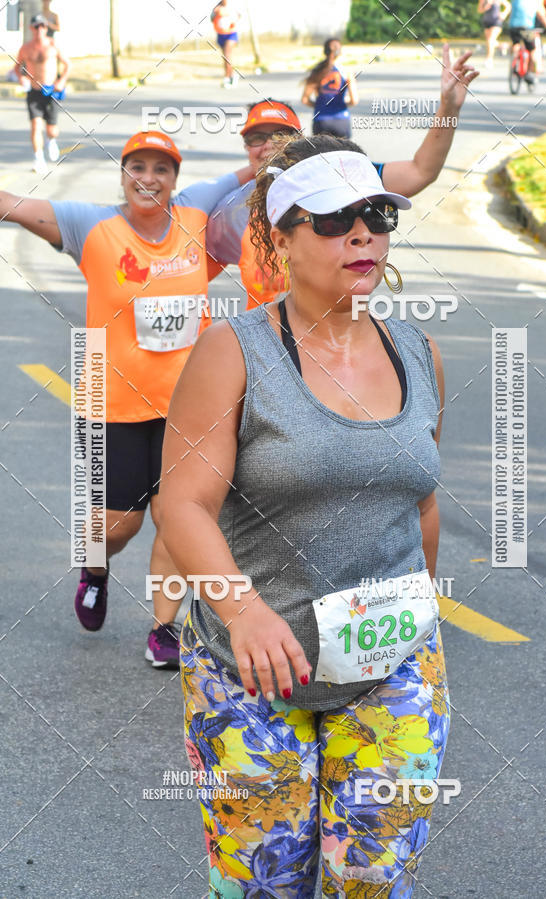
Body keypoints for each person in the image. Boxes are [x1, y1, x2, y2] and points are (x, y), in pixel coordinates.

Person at [160, 133, 450, 895]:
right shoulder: (234, 351)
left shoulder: (417, 350)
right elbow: (182, 503)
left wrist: (422, 605)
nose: (362, 234)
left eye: (377, 215)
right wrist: (243, 610)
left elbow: (419, 498)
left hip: (392, 662)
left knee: (373, 878)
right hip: (251, 671)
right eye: (332, 219)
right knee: (266, 881)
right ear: (281, 238)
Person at [0, 130, 253, 667]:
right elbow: (11, 205)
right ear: (123, 175)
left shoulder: (195, 209)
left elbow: (253, 169)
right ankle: (95, 569)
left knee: (179, 517)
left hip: (189, 403)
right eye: (137, 167)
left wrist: (281, 151)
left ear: (175, 179)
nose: (149, 179)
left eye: (162, 169)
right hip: (110, 400)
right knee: (115, 526)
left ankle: (165, 628)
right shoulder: (89, 225)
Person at [206, 45, 479, 309]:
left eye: (280, 135)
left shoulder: (337, 177)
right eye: (256, 138)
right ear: (246, 147)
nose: (268, 145)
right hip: (263, 339)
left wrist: (449, 108)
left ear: (298, 139)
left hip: (340, 335)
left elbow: (420, 171)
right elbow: (190, 272)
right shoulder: (229, 210)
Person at [14, 14, 70, 175]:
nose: (40, 29)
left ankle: (51, 140)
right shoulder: (25, 48)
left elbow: (68, 65)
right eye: (36, 26)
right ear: (31, 28)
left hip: (51, 91)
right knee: (35, 125)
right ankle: (38, 159)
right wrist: (21, 78)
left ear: (46, 28)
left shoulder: (53, 45)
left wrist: (62, 81)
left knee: (52, 129)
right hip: (34, 92)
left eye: (43, 26)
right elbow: (17, 67)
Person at [301, 37, 358, 137]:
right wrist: (342, 104)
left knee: (321, 147)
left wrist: (320, 105)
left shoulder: (317, 72)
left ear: (325, 52)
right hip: (341, 120)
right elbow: (354, 101)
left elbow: (305, 100)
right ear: (340, 52)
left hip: (321, 121)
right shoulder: (346, 72)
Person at [508, 0, 546, 82]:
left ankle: (514, 59)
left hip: (513, 27)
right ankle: (529, 73)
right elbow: (542, 16)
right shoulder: (534, 2)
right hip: (527, 27)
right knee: (532, 50)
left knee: (515, 43)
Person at [210, 0, 241, 88]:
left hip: (231, 34)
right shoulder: (217, 8)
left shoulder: (232, 6)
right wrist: (215, 13)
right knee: (226, 57)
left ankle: (227, 78)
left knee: (227, 55)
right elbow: (212, 19)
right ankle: (231, 76)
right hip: (221, 34)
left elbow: (239, 16)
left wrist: (232, 18)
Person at [478, 0, 511, 67]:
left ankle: (489, 59)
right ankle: (503, 46)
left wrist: (504, 14)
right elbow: (479, 10)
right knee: (489, 42)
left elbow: (508, 6)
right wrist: (485, 8)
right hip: (487, 22)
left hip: (496, 21)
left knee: (490, 40)